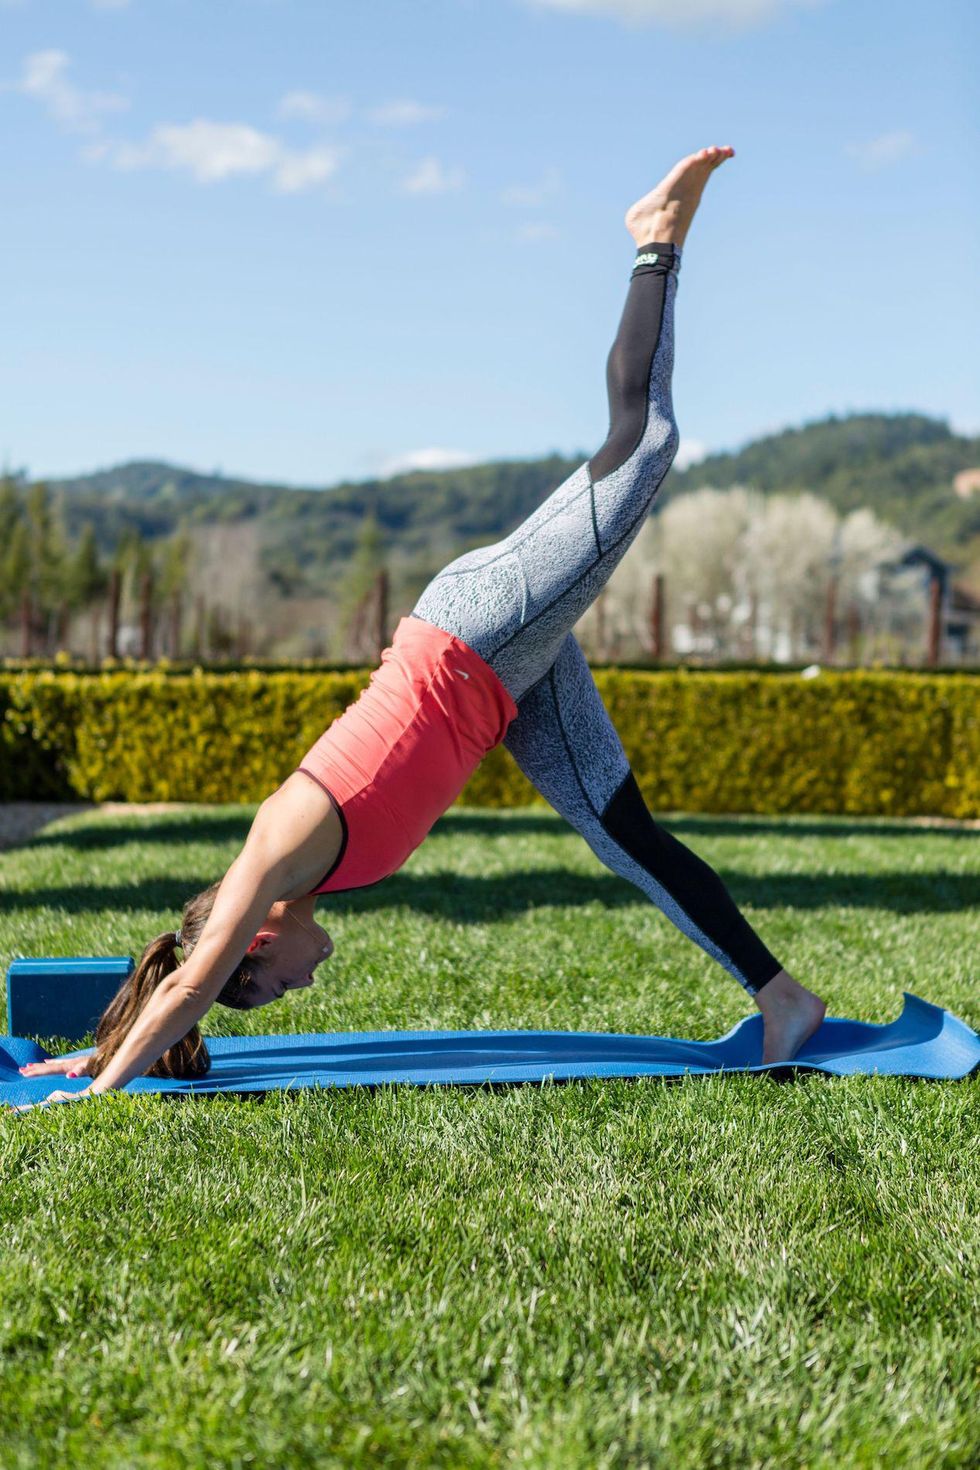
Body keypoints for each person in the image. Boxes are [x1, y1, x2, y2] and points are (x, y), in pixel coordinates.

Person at [19, 146, 827, 1109]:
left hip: (477, 632)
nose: (306, 985)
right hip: (500, 689)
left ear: (259, 940)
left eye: (280, 983)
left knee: (642, 444)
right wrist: (99, 1046)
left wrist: (102, 1089)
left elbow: (192, 981)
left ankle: (656, 239)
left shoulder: (272, 854)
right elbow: (174, 978)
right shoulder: (311, 880)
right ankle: (784, 1000)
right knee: (622, 834)